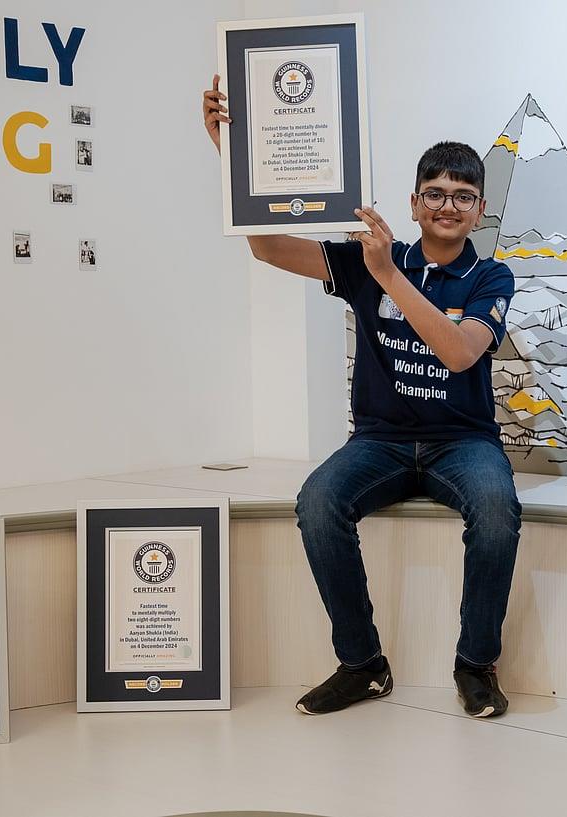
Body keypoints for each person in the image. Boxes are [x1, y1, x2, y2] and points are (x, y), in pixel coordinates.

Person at [203, 75, 522, 718]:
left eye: (463, 196)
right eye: (435, 193)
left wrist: (388, 275)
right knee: (318, 503)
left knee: (497, 511)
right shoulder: (369, 257)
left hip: (462, 442)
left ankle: (475, 663)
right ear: (414, 203)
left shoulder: (490, 275)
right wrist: (232, 154)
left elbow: (459, 352)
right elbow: (266, 246)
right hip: (380, 441)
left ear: (480, 209)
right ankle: (362, 664)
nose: (449, 206)